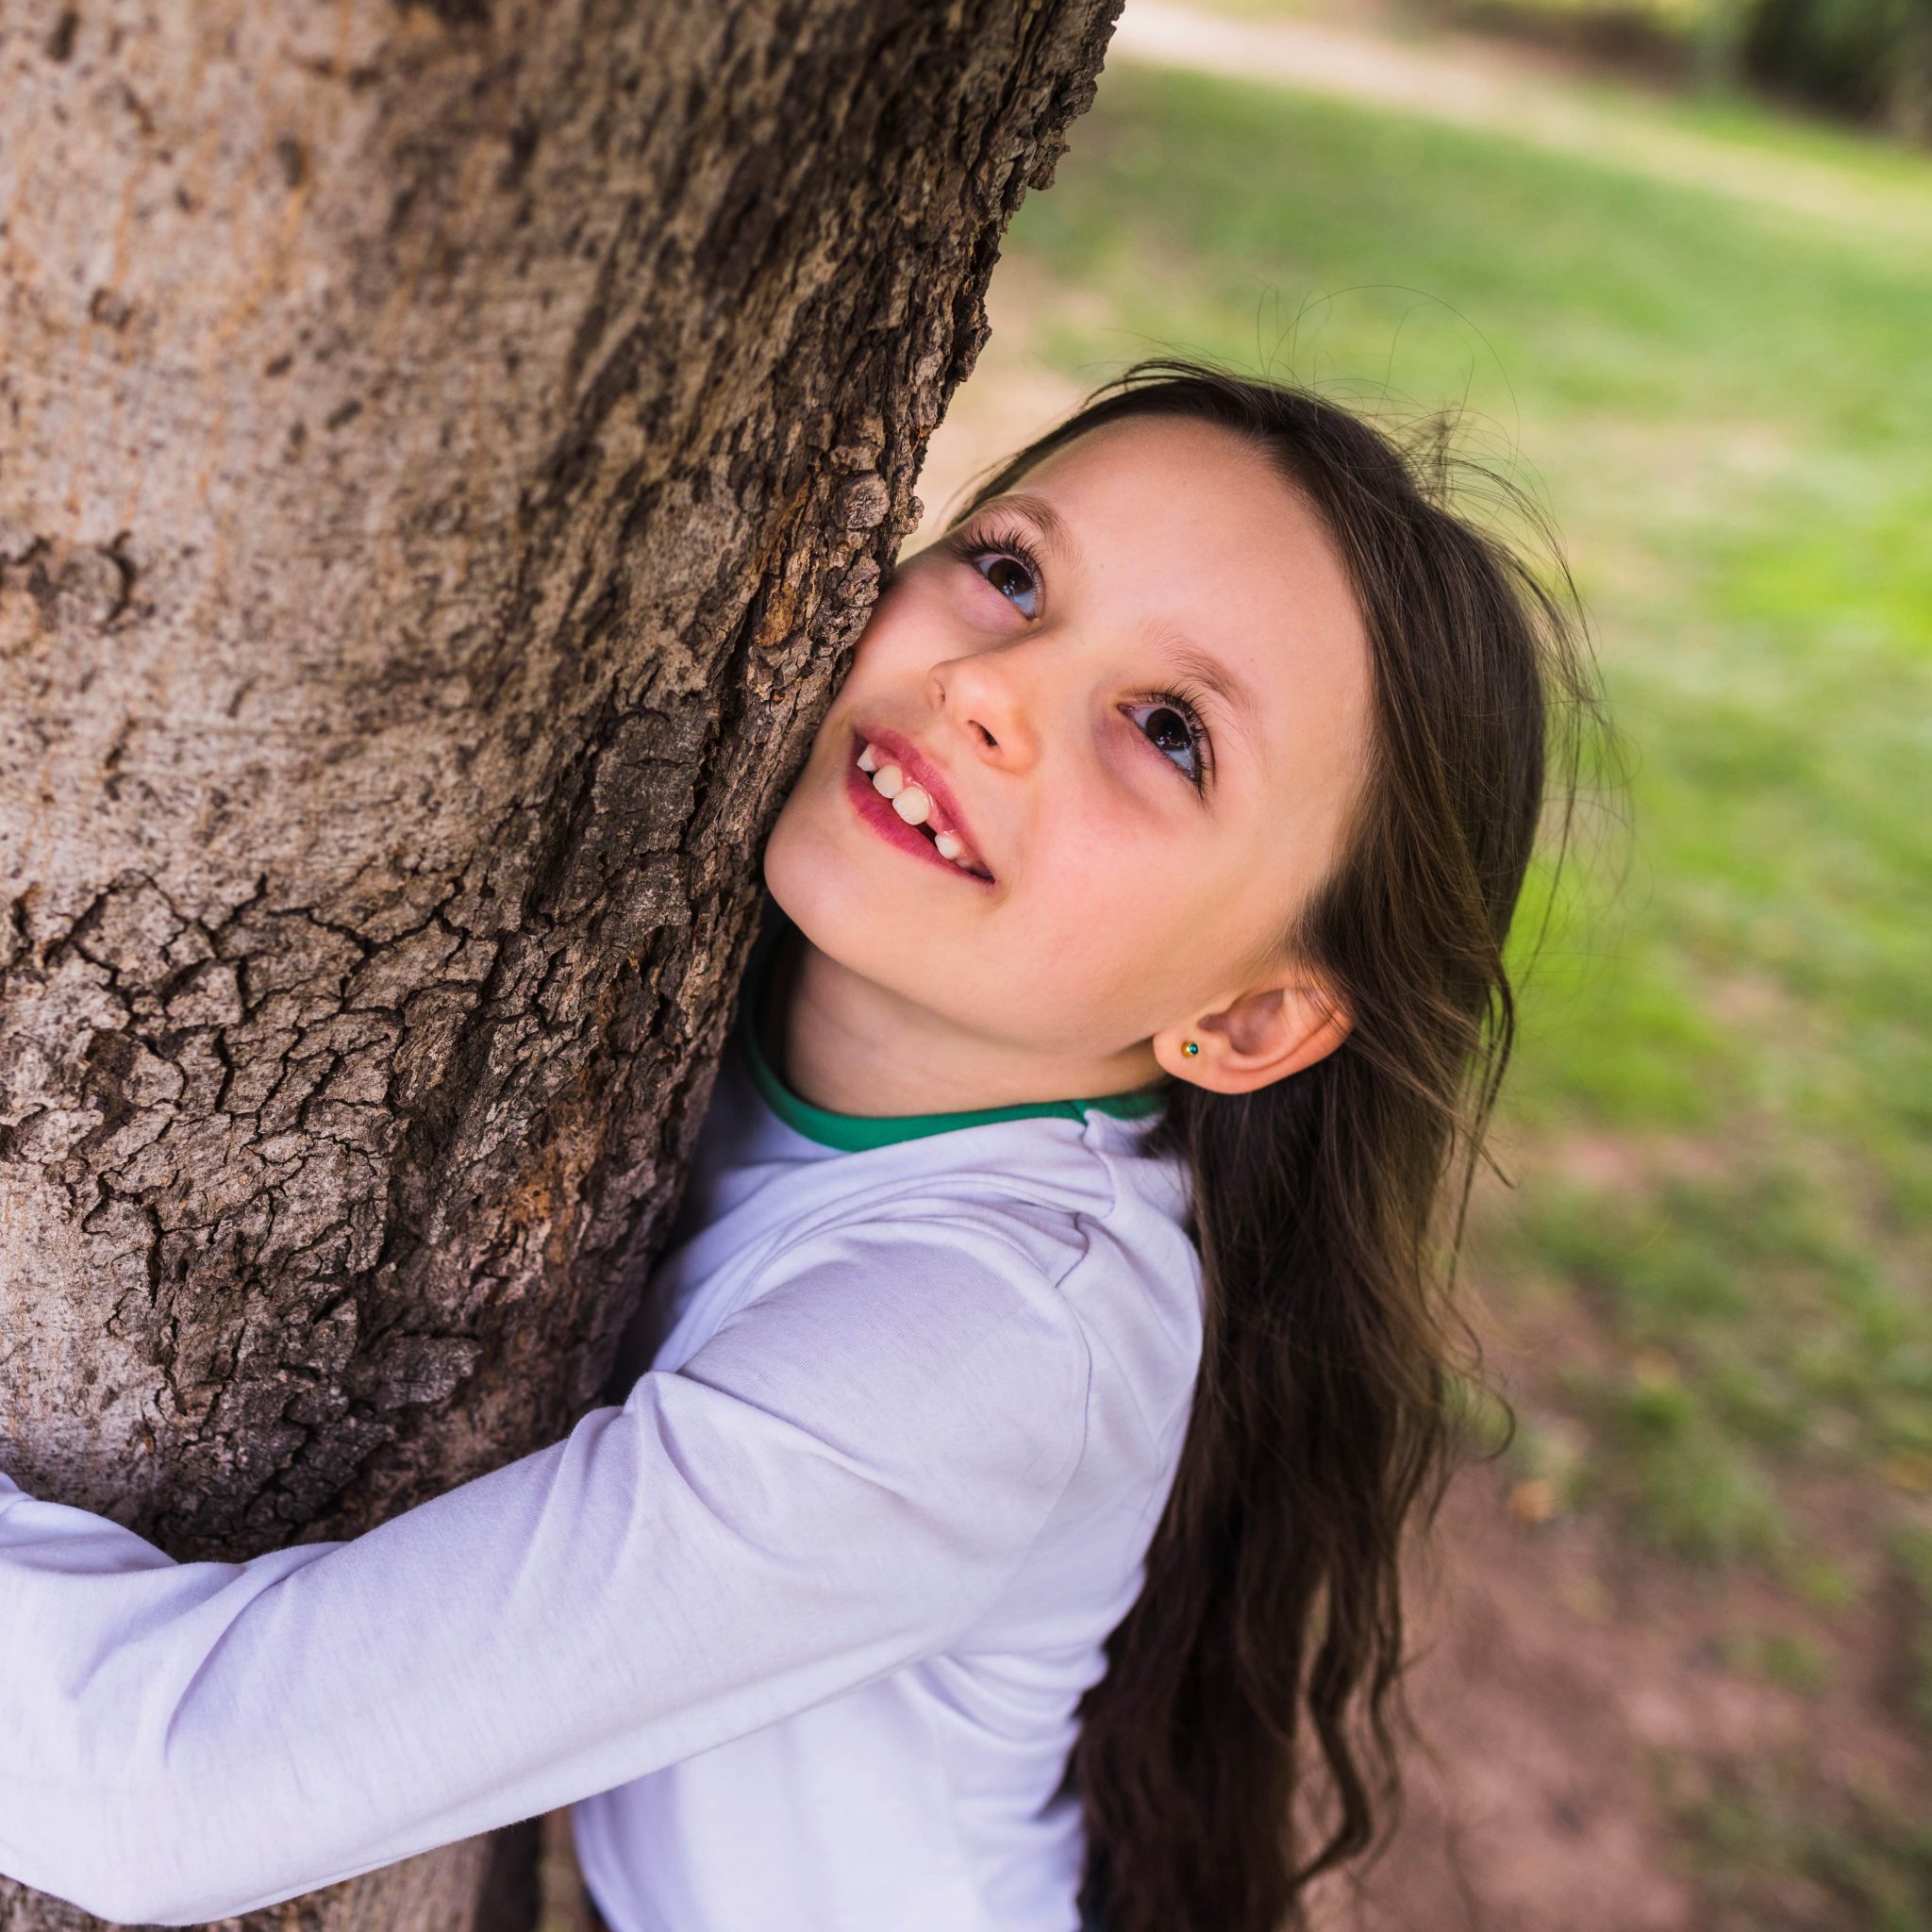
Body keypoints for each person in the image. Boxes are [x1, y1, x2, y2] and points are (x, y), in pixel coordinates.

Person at [0, 359, 1600, 1932]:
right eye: (1012, 569)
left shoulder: (989, 1342)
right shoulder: (744, 986)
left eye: (1171, 732)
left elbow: (165, 1782)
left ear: (1246, 1023)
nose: (994, 686)